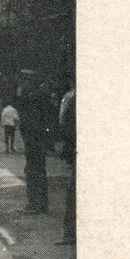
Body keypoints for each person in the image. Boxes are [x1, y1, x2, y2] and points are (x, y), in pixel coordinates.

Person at [15, 80, 53, 213]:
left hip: (33, 142)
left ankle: (34, 204)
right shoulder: (41, 98)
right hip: (39, 141)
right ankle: (41, 204)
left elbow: (28, 124)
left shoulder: (31, 102)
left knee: (32, 172)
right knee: (40, 172)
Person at [57, 82, 76, 245]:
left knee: (73, 193)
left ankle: (70, 234)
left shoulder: (71, 99)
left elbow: (64, 121)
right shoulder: (72, 98)